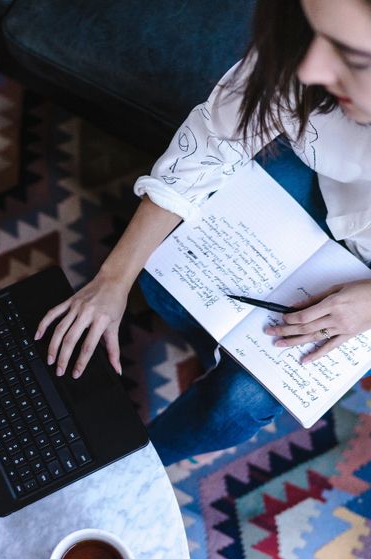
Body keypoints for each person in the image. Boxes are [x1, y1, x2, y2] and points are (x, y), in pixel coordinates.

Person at [34, 0, 371, 465]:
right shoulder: (305, 51)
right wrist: (112, 280)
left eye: (353, 56)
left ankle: (130, 466)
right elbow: (211, 143)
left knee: (240, 403)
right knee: (165, 263)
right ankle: (206, 339)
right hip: (327, 183)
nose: (310, 67)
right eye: (315, 33)